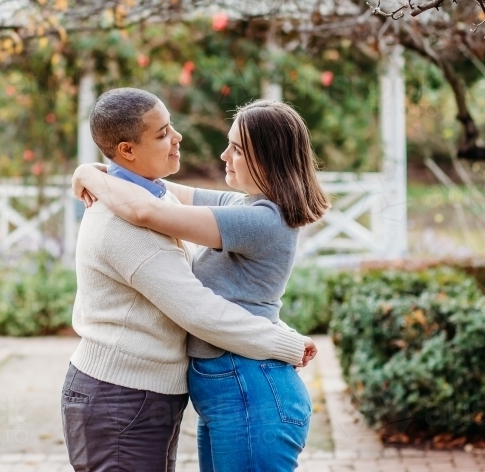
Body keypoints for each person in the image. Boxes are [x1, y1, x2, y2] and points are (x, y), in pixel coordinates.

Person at [62, 88, 316, 472]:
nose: (223, 156)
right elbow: (160, 194)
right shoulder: (240, 204)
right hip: (220, 387)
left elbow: (148, 210)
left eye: (237, 150)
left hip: (248, 384)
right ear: (128, 149)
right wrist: (92, 171)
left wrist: (286, 343)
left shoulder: (259, 219)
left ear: (269, 158)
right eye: (163, 132)